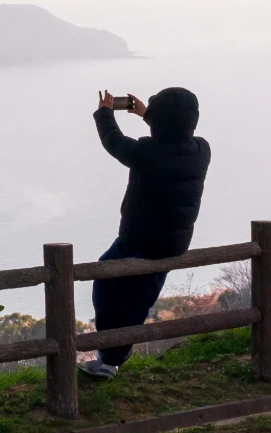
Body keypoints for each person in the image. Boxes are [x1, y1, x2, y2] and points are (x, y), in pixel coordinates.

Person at [84, 85, 211, 379]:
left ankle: (110, 354)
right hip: (174, 243)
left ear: (160, 121)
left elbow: (113, 141)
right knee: (140, 299)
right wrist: (146, 114)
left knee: (104, 279)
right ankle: (112, 357)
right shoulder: (201, 150)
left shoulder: (146, 152)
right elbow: (172, 136)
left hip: (137, 241)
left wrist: (104, 113)